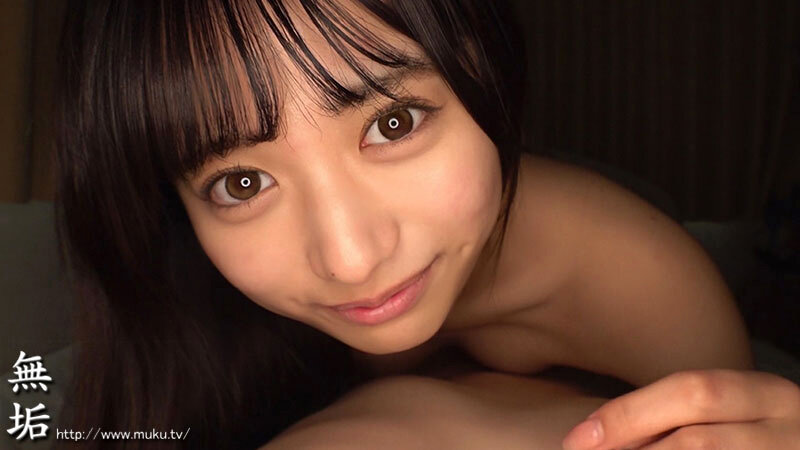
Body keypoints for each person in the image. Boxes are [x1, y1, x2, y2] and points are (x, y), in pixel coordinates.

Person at [53, 0, 800, 448]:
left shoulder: (651, 292)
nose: (350, 258)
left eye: (394, 123)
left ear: (487, 72)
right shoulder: (167, 303)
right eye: (242, 183)